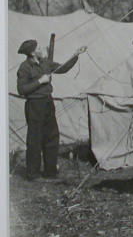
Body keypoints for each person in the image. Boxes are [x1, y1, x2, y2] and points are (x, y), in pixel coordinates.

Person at [16, 39, 86, 181]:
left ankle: (50, 171)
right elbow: (21, 90)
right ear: (32, 52)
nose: (42, 49)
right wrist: (39, 82)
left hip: (48, 102)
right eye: (39, 48)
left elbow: (63, 68)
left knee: (51, 136)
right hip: (34, 104)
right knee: (35, 139)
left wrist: (75, 55)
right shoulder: (24, 68)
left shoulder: (45, 63)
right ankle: (33, 174)